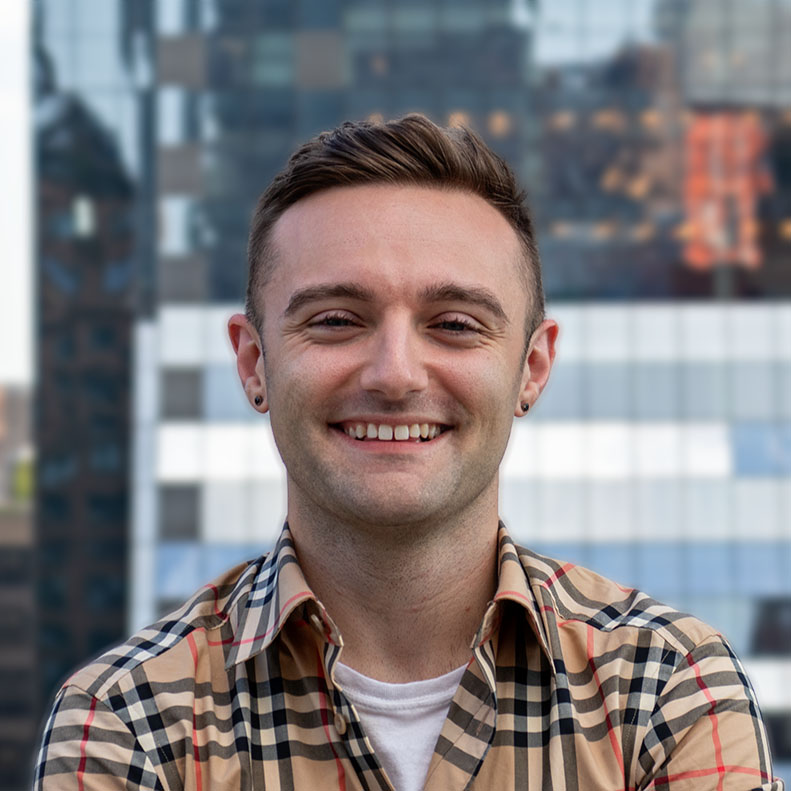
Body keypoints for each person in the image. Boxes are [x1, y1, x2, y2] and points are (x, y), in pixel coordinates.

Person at [35, 114, 783, 791]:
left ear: (531, 368)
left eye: (454, 323)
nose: (394, 373)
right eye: (334, 320)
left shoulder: (665, 687)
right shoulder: (127, 716)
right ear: (254, 363)